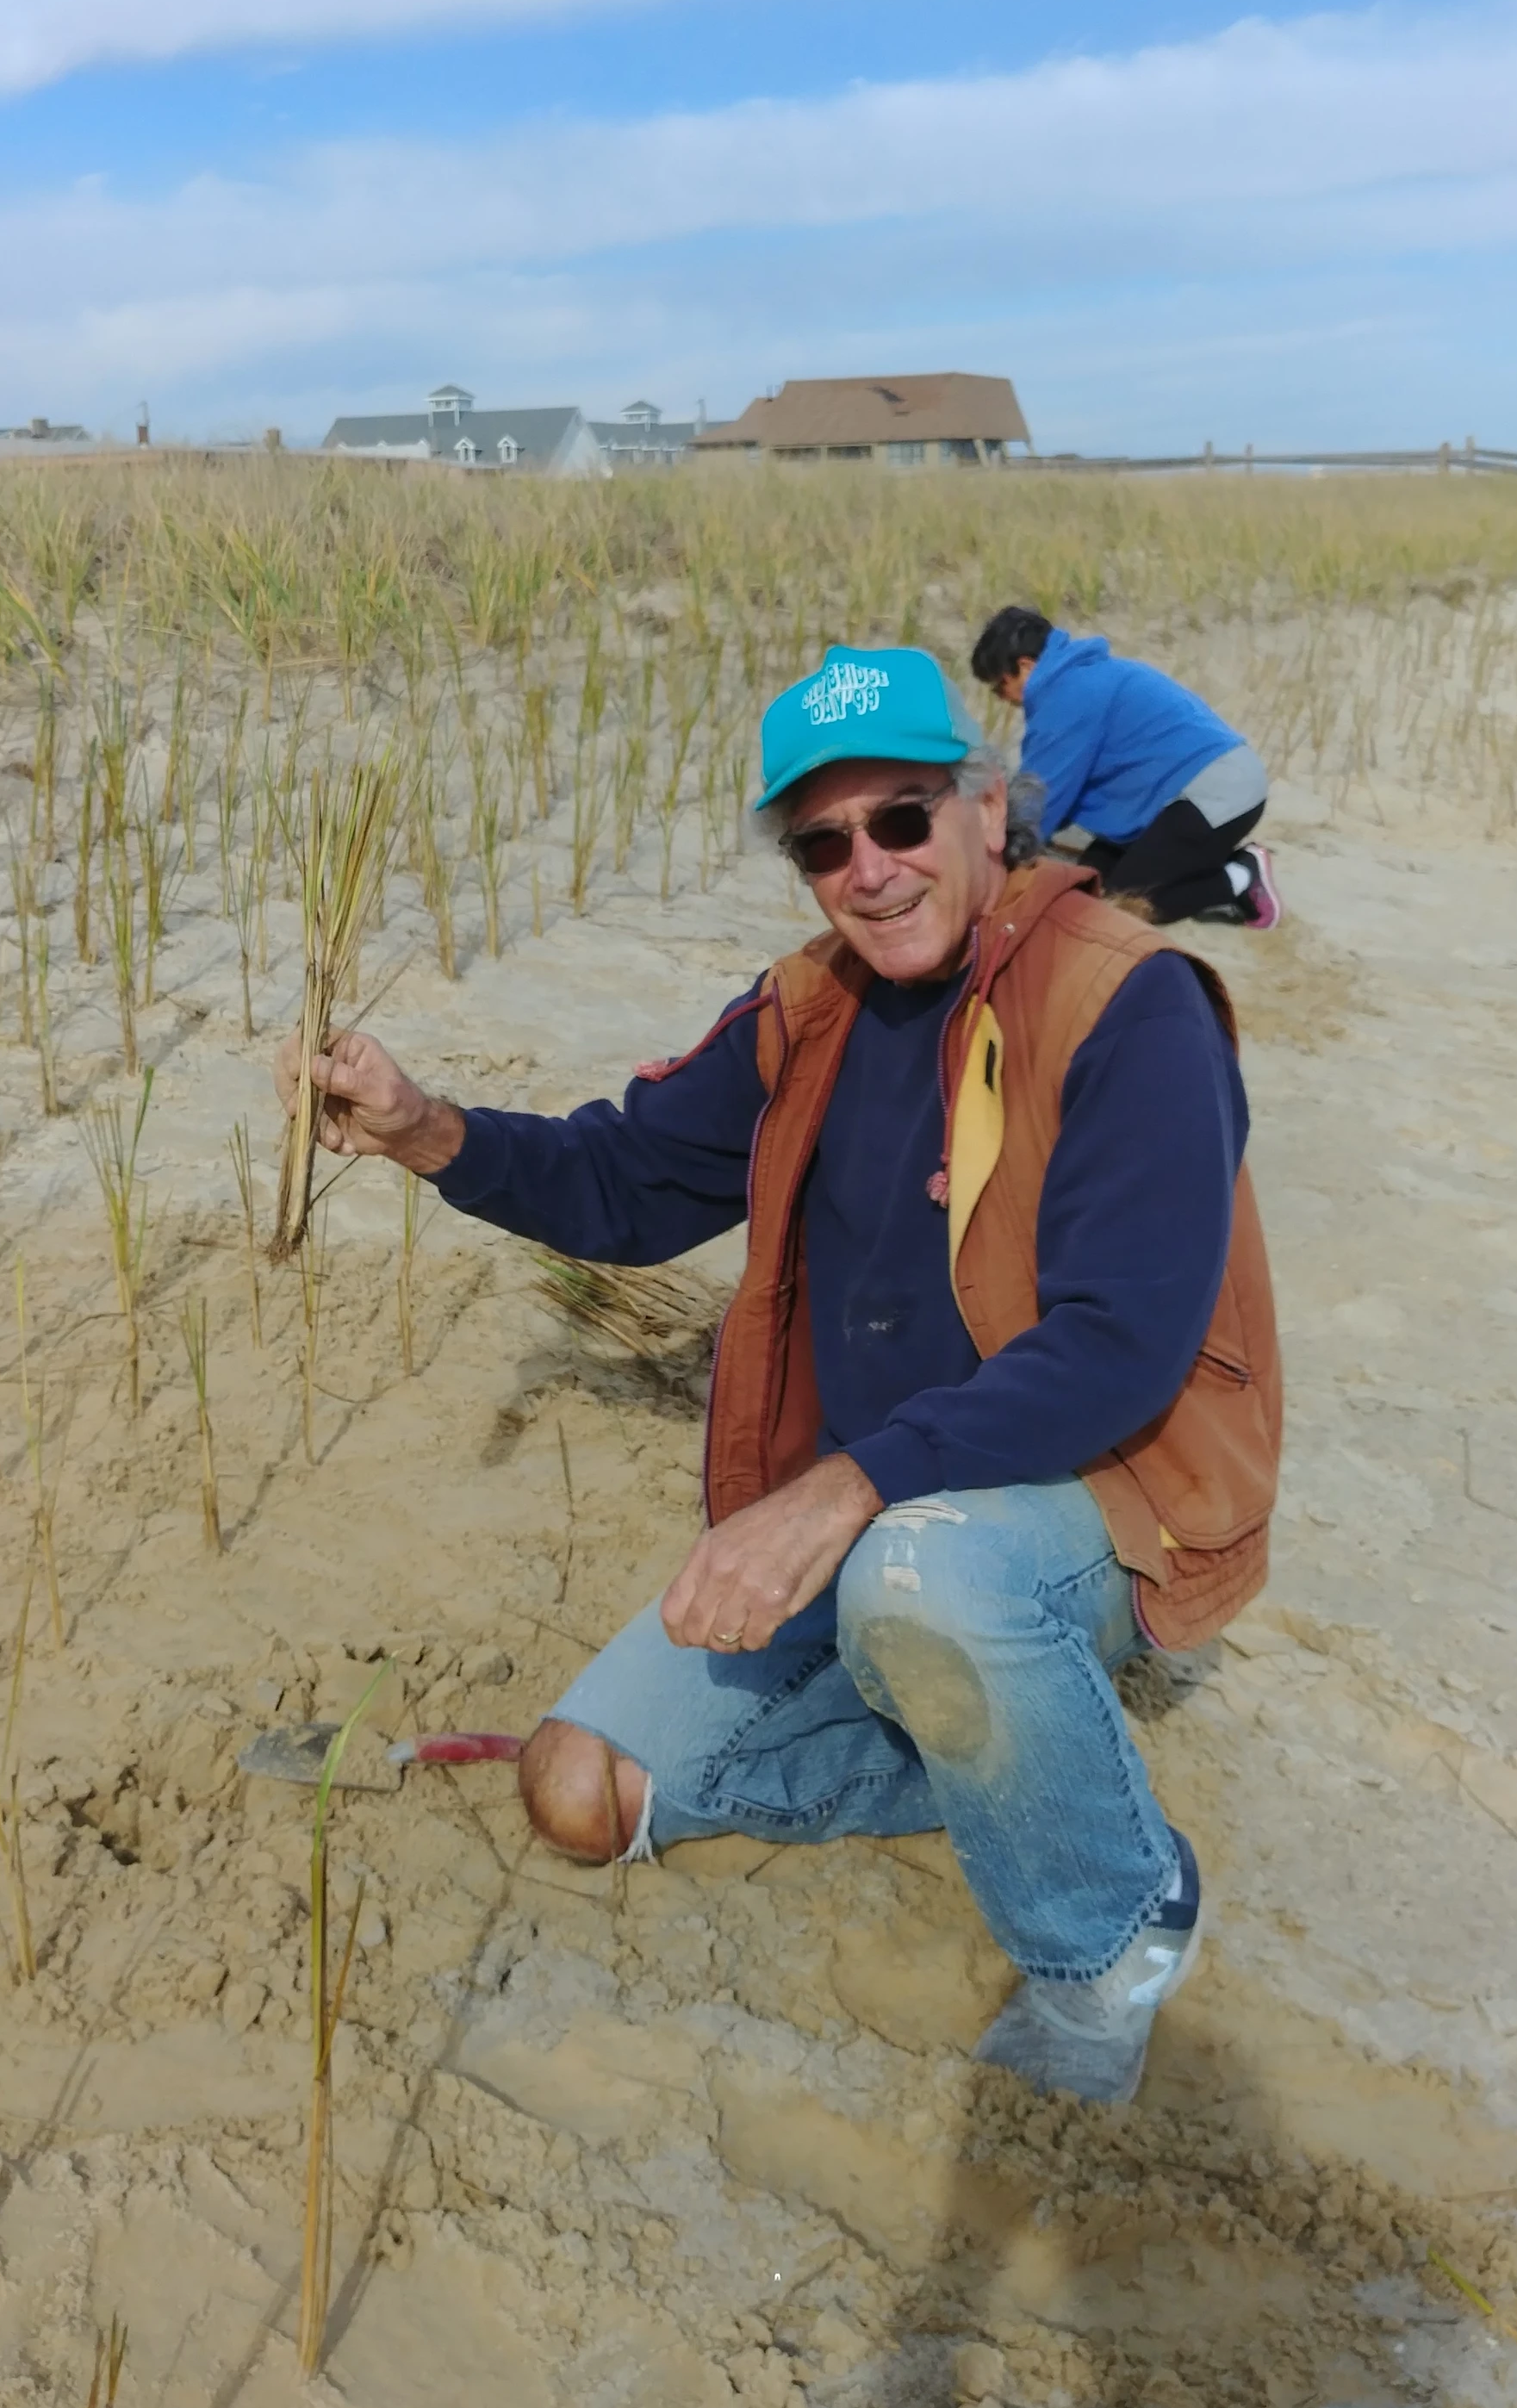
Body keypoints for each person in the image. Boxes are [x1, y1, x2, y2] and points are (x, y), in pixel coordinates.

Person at [274, 643, 1282, 2106]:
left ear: (990, 810)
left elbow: (1118, 1346)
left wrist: (840, 1494)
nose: (867, 868)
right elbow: (624, 1178)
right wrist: (430, 1128)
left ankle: (1113, 1928)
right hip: (870, 1521)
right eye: (824, 840)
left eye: (902, 818)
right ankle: (1010, 1751)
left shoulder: (1131, 1006)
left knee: (920, 1583)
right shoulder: (803, 1007)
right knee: (578, 1787)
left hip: (1075, 1514)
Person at [970, 605, 1283, 929]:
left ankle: (1239, 876)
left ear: (1025, 666)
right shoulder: (1084, 676)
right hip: (1193, 789)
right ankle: (1201, 867)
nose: (1002, 698)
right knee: (1089, 881)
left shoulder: (1067, 697)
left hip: (1219, 794)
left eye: (999, 686)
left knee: (1119, 906)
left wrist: (988, 862)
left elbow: (1039, 801)